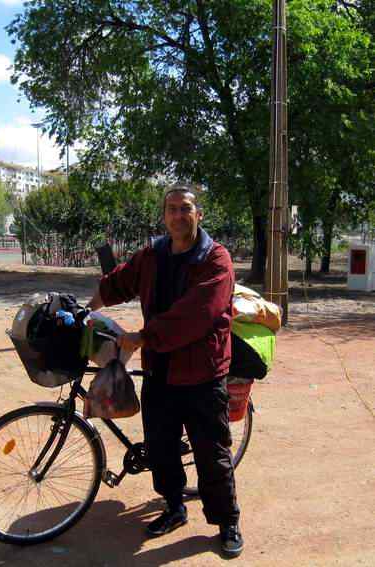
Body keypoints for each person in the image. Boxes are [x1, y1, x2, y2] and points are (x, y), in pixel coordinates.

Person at [86, 186, 243, 558]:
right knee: (161, 448)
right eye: (171, 209)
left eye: (184, 209)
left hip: (202, 374)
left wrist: (143, 337)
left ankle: (227, 522)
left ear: (198, 214)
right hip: (161, 370)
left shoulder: (215, 260)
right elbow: (122, 279)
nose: (177, 215)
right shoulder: (153, 254)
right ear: (164, 215)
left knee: (211, 454)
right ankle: (174, 507)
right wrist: (91, 306)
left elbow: (195, 314)